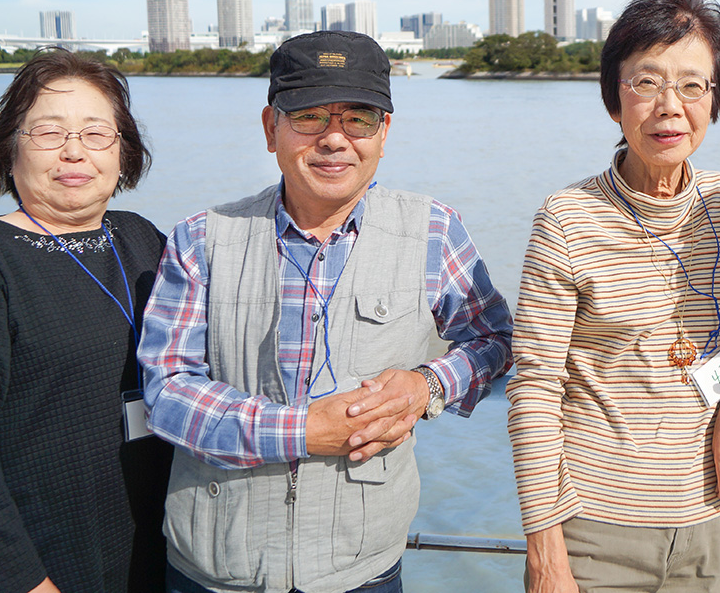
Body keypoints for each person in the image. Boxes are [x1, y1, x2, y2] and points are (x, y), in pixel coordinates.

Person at [139, 30, 512, 593]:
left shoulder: (434, 230)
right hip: (214, 566)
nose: (335, 139)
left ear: (384, 133)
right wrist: (304, 431)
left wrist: (427, 385)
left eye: (358, 119)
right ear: (271, 128)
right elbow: (166, 392)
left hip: (362, 567)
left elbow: (495, 340)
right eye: (309, 116)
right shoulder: (201, 239)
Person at [507, 0, 720, 593]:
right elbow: (535, 388)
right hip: (593, 533)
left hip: (712, 526)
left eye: (692, 85)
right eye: (647, 82)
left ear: (715, 99)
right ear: (614, 98)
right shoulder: (568, 218)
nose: (670, 106)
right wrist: (546, 555)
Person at [0, 48, 173, 593]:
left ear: (123, 151)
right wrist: (24, 582)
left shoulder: (141, 238)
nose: (74, 151)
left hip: (152, 550)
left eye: (96, 133)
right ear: (9, 148)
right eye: (48, 132)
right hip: (41, 562)